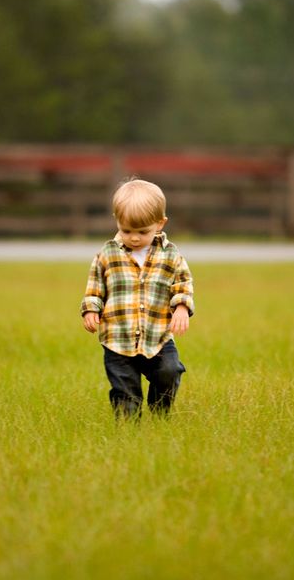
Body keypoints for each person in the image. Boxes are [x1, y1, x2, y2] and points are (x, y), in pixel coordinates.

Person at [81, 178, 194, 418]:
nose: (133, 238)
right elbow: (95, 287)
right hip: (118, 339)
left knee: (169, 371)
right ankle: (128, 428)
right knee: (125, 390)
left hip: (159, 335)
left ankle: (160, 414)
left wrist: (182, 307)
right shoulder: (107, 254)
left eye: (142, 232)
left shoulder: (170, 255)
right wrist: (91, 309)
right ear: (117, 221)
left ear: (160, 224)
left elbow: (182, 283)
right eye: (126, 230)